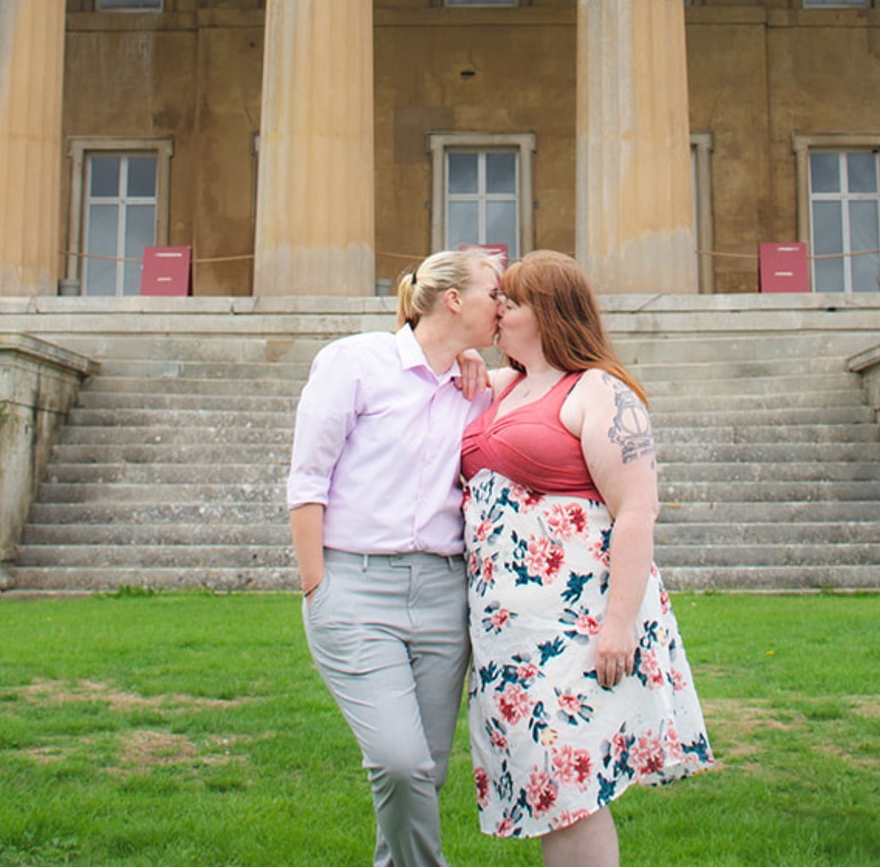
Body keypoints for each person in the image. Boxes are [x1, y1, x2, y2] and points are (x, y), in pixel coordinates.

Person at [461, 250, 712, 863]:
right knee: (550, 792)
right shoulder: (505, 386)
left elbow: (636, 510)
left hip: (576, 628)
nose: (497, 310)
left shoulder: (598, 390)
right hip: (507, 640)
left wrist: (619, 624)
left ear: (545, 313)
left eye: (510, 301)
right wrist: (462, 353)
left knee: (570, 786)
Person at [287, 246, 505, 867]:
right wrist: (317, 587)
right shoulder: (355, 362)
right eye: (496, 293)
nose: (505, 306)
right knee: (400, 763)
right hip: (355, 590)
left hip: (443, 594)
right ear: (455, 299)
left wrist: (476, 366)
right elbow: (308, 481)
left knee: (424, 777)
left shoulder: (476, 386)